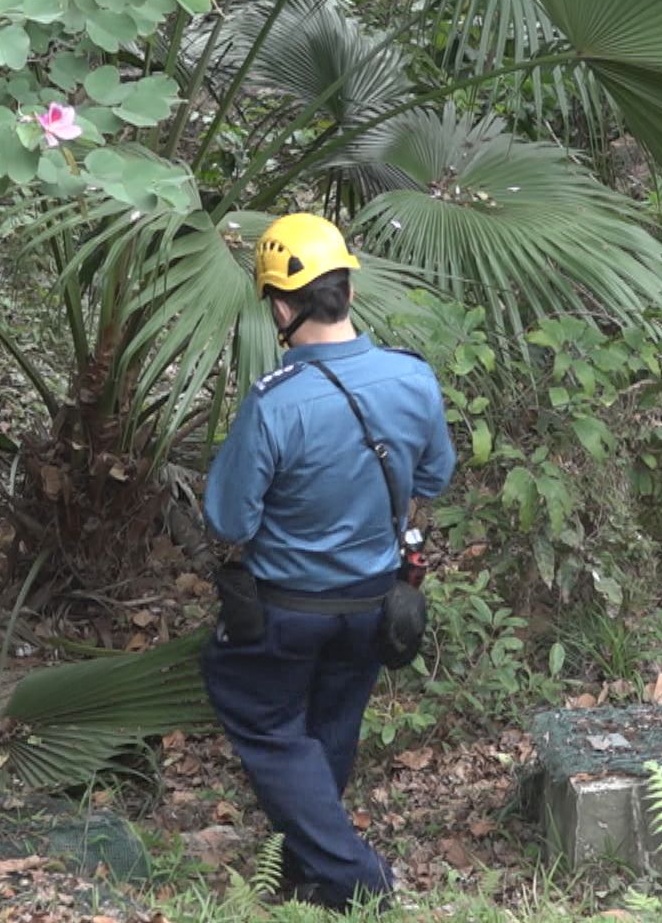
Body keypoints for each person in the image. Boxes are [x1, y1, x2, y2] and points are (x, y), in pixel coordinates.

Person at [200, 214, 456, 911]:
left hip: (286, 610)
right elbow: (435, 476)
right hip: (374, 602)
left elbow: (230, 520)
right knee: (330, 727)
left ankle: (354, 875)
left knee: (261, 715)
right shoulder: (412, 379)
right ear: (347, 290)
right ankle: (308, 873)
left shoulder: (275, 404)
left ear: (282, 310)